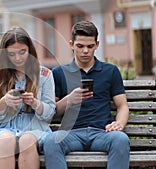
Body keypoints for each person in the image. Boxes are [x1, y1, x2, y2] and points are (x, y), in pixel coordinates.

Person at [44, 20, 130, 169]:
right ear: (71, 44)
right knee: (51, 140)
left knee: (120, 139)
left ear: (97, 45)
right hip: (71, 134)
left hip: (103, 133)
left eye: (90, 46)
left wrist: (119, 124)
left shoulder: (110, 71)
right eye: (80, 46)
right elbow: (51, 112)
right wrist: (69, 100)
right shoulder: (59, 73)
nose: (85, 51)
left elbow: (122, 106)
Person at [0, 26, 56, 169]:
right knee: (7, 141)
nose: (17, 58)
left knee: (27, 141)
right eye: (11, 54)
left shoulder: (44, 75)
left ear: (30, 50)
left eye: (22, 52)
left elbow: (49, 112)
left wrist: (35, 103)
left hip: (35, 128)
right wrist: (4, 102)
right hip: (5, 127)